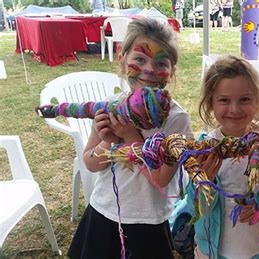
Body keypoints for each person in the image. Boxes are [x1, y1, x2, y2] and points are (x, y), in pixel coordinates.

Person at [67, 18, 194, 259]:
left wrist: (130, 137)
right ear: (122, 60)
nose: (149, 69)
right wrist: (107, 141)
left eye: (161, 63)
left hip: (147, 222)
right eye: (139, 59)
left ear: (172, 71)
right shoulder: (112, 106)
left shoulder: (176, 120)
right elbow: (91, 163)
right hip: (103, 214)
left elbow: (161, 179)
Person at [187, 55, 259, 258]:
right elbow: (195, 207)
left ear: (258, 101)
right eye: (224, 100)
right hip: (211, 253)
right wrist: (203, 182)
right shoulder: (202, 151)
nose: (234, 109)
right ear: (210, 103)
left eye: (244, 99)